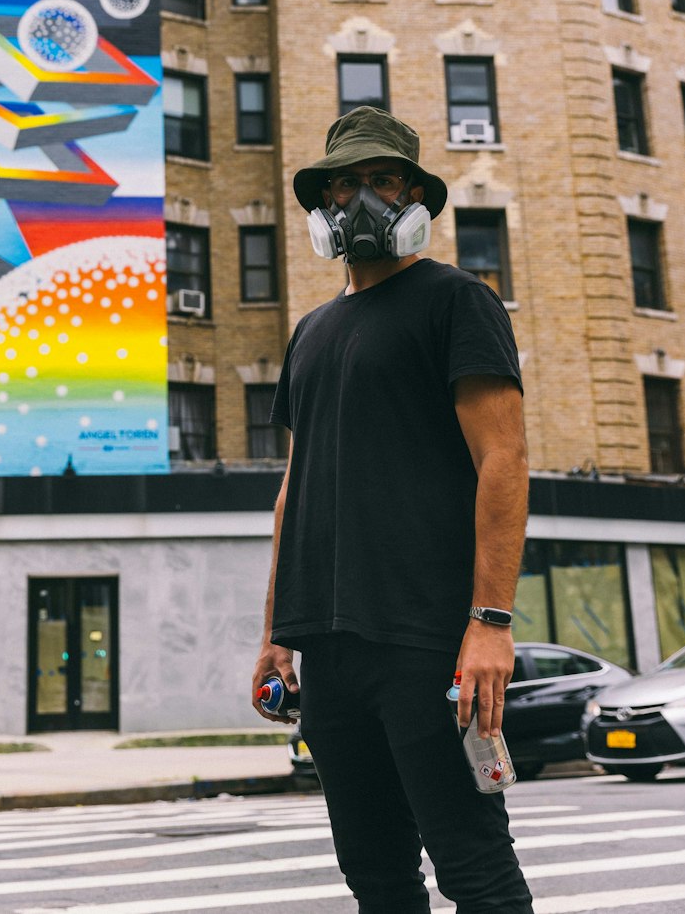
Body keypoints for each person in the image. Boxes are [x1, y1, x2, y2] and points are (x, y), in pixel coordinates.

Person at [252, 105, 534, 913]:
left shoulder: (456, 301)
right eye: (344, 185)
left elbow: (504, 461)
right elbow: (293, 489)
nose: (360, 201)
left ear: (414, 196)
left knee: (474, 867)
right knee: (374, 875)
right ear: (324, 205)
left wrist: (490, 620)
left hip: (428, 640)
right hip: (331, 653)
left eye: (382, 181)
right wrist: (277, 633)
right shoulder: (310, 331)